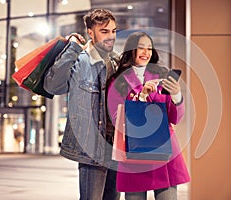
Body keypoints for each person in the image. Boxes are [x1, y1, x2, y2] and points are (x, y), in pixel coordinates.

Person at [44, 8, 120, 200]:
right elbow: (53, 86)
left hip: (117, 148)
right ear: (90, 32)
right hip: (92, 148)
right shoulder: (80, 60)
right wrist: (72, 48)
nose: (111, 36)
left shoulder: (118, 62)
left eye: (113, 31)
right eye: (105, 31)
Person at [107, 31, 190, 200]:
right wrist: (141, 97)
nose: (146, 52)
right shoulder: (119, 81)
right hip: (133, 153)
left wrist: (177, 96)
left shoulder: (162, 75)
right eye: (141, 48)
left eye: (149, 48)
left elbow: (175, 118)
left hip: (164, 150)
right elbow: (117, 119)